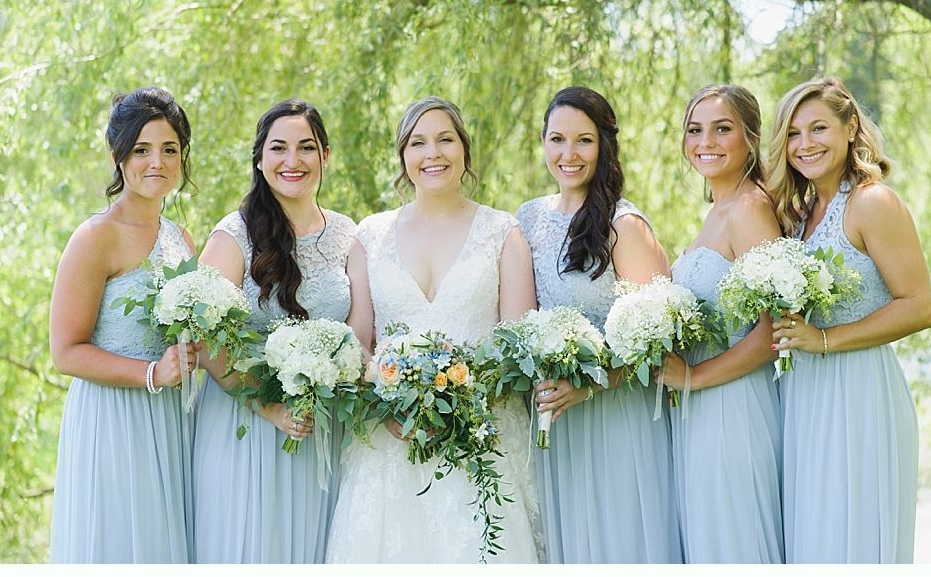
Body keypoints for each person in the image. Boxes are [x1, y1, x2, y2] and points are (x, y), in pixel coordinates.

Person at [325, 96, 544, 563]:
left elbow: (518, 345)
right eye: (418, 143)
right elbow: (360, 341)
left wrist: (460, 402)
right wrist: (386, 405)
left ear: (464, 149)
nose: (433, 153)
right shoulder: (371, 236)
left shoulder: (503, 233)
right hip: (390, 442)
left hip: (480, 440)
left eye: (445, 139)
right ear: (404, 157)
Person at [765, 77, 931, 563]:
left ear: (850, 127)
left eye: (818, 128)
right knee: (813, 537)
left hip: (859, 390)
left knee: (851, 536)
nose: (805, 144)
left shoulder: (872, 203)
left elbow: (920, 305)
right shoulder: (800, 215)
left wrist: (824, 338)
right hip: (804, 394)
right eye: (793, 134)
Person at [517, 86, 683, 563]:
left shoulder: (623, 225)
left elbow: (662, 337)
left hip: (614, 412)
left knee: (618, 542)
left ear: (604, 145)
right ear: (543, 142)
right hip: (552, 417)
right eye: (557, 139)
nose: (569, 154)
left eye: (584, 141)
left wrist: (591, 385)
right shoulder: (527, 218)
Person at [191, 99, 356, 562]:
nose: (292, 161)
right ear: (260, 159)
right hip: (247, 422)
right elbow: (201, 338)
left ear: (325, 156)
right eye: (278, 148)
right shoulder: (234, 236)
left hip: (322, 426)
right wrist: (269, 407)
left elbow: (362, 335)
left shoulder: (348, 234)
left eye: (306, 148)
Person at [49, 87, 200, 562]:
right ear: (117, 156)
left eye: (169, 149)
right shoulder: (95, 238)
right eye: (142, 149)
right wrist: (152, 374)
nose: (157, 162)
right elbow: (65, 351)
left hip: (172, 420)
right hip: (114, 419)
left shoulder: (182, 238)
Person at [656, 84, 783, 562]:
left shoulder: (749, 209)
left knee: (735, 542)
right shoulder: (719, 210)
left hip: (733, 406)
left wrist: (693, 377)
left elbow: (775, 331)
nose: (705, 141)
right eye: (695, 130)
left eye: (722, 129)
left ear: (750, 138)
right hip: (702, 409)